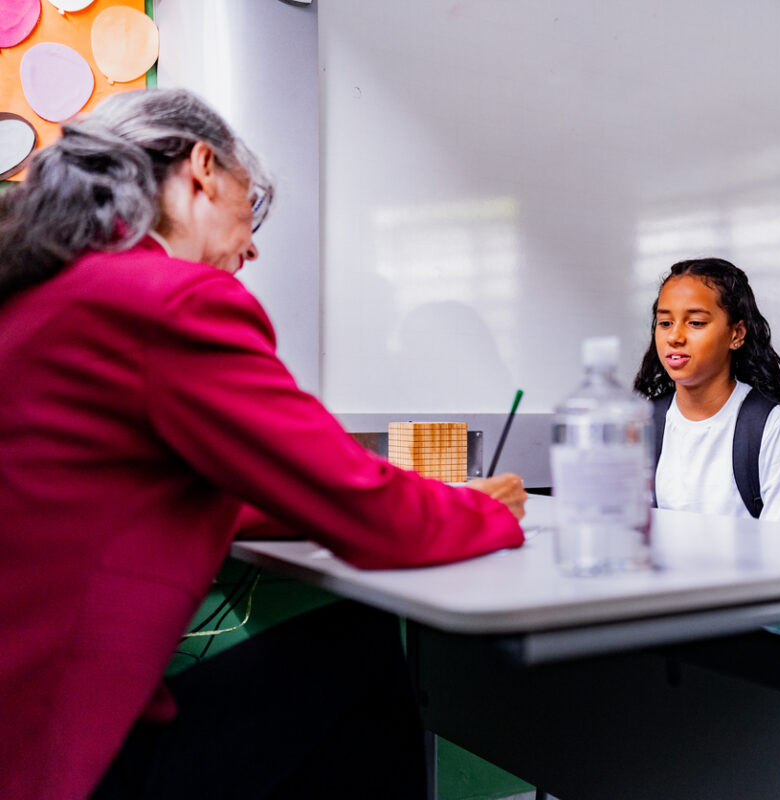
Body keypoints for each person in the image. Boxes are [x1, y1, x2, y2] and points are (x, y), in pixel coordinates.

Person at [0, 88, 527, 800]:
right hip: (69, 766)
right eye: (250, 209)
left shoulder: (46, 298)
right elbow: (362, 509)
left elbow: (219, 497)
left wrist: (427, 497)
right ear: (202, 170)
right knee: (360, 640)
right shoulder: (166, 301)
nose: (251, 247)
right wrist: (483, 513)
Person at [632, 257, 780, 524]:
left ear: (736, 334)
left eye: (695, 323)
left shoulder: (776, 428)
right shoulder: (641, 427)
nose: (674, 337)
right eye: (665, 323)